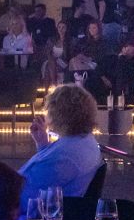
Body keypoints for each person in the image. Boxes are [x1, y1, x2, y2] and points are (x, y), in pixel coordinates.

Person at [19, 83, 102, 211]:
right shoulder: (83, 141)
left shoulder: (65, 156)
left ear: (59, 115)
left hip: (25, 217)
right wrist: (43, 144)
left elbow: (26, 196)